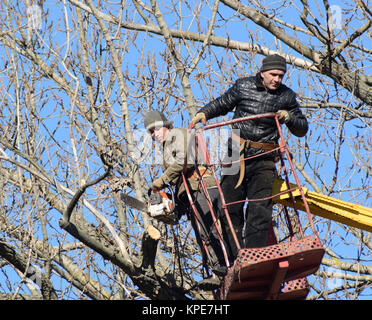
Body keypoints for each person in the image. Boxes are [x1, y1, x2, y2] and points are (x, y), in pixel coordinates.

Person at [189, 54, 309, 265]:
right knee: (229, 206)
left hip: (264, 156)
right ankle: (235, 259)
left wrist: (289, 117)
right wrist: (203, 113)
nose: (277, 79)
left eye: (281, 75)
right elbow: (223, 103)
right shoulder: (243, 86)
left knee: (259, 208)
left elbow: (302, 128)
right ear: (262, 73)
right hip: (236, 152)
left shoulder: (287, 97)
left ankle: (254, 258)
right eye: (273, 74)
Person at [143, 110, 228, 289]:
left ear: (166, 126)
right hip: (189, 191)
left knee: (209, 228)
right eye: (150, 132)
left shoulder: (178, 134)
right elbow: (177, 177)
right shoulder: (167, 146)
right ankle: (217, 273)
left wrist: (161, 180)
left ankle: (224, 266)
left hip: (201, 185)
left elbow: (186, 161)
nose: (154, 134)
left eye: (156, 129)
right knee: (202, 235)